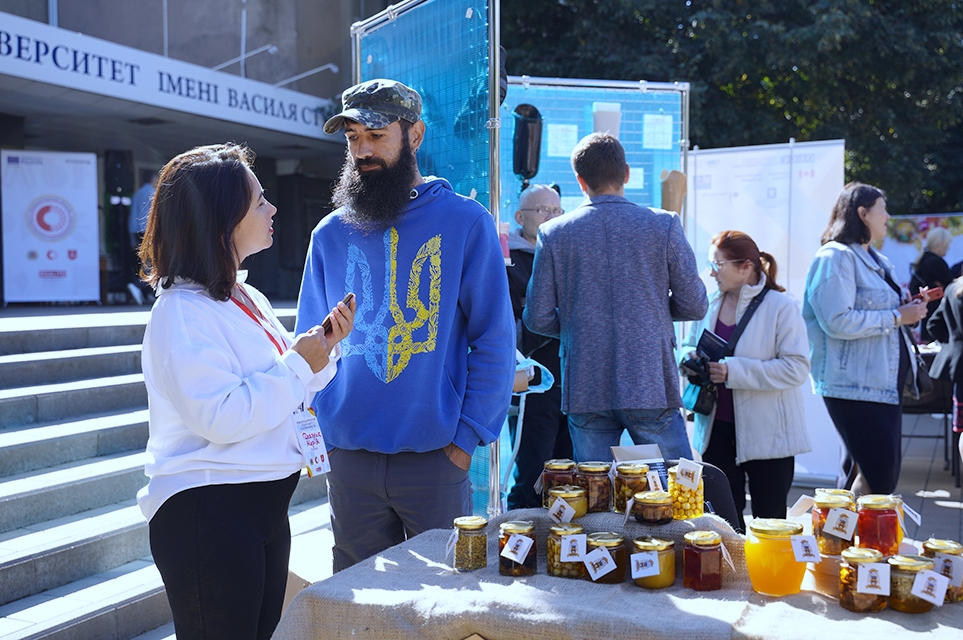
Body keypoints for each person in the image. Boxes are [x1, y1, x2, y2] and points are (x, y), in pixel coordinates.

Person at [136, 143, 355, 639]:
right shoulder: (179, 311)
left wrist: (320, 351)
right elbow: (224, 416)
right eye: (259, 201)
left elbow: (285, 388)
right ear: (220, 219)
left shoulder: (244, 294)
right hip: (209, 514)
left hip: (260, 508)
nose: (273, 208)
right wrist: (300, 362)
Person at [296, 79, 515, 571]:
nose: (363, 150)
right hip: (349, 460)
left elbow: (495, 340)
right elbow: (308, 345)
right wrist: (317, 433)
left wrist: (466, 441)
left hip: (436, 459)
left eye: (376, 135)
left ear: (414, 135)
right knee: (359, 608)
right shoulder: (328, 235)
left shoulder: (466, 223)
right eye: (353, 138)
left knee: (447, 604)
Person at [523, 132, 708, 463]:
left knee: (595, 500)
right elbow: (694, 304)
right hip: (650, 379)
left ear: (580, 181)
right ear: (626, 173)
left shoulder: (554, 233)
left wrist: (578, 327)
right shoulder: (663, 224)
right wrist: (652, 313)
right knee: (679, 491)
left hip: (585, 382)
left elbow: (536, 318)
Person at [803, 182, 929, 495]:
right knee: (878, 474)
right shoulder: (834, 257)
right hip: (855, 386)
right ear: (862, 213)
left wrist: (909, 308)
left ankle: (841, 539)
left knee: (868, 471)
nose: (888, 215)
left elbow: (883, 314)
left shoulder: (877, 260)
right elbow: (837, 321)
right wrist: (899, 316)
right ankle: (855, 539)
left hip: (879, 386)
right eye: (882, 208)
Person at [681, 231, 811, 531]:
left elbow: (796, 368)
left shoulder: (781, 306)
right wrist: (689, 360)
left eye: (718, 264)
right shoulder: (710, 303)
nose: (711, 271)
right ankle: (732, 575)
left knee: (770, 520)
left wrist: (733, 371)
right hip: (715, 430)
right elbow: (687, 344)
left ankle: (768, 577)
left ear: (745, 266)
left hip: (769, 437)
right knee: (724, 519)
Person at [505, 184, 572, 509]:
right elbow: (507, 326)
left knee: (570, 475)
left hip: (572, 383)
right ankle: (519, 549)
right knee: (533, 474)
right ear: (520, 217)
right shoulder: (506, 260)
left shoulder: (565, 253)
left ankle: (562, 550)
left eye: (557, 211)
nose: (551, 217)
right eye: (543, 210)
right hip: (534, 384)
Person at [925, 275, 963, 484]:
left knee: (962, 432)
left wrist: (954, 345)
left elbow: (934, 326)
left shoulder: (953, 288)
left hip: (958, 368)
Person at [911, 227, 953, 343]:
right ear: (941, 244)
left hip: (927, 314)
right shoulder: (935, 262)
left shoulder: (924, 259)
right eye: (947, 244)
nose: (949, 247)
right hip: (938, 316)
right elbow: (953, 285)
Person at [127, 171, 158, 305]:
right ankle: (138, 285)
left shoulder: (137, 193)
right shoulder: (152, 192)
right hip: (147, 230)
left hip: (136, 230)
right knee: (152, 261)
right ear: (154, 179)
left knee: (143, 261)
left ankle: (147, 293)